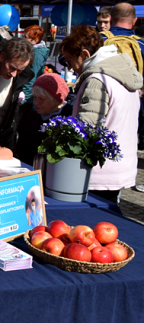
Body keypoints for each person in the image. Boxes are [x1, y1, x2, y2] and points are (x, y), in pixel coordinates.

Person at [61, 24, 143, 203]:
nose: (70, 68)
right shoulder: (123, 73)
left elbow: (85, 128)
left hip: (99, 171)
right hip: (121, 165)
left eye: (68, 61)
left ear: (85, 54)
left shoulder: (97, 80)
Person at [100, 3, 144, 153]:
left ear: (110, 19)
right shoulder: (140, 44)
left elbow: (63, 58)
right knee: (127, 135)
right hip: (132, 96)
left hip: (101, 93)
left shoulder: (98, 40)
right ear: (134, 21)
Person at [15, 73, 72, 165]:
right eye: (34, 97)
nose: (35, 102)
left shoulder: (68, 119)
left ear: (57, 100)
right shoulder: (31, 116)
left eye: (41, 99)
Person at [20, 25, 50, 106]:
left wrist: (23, 100)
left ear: (34, 40)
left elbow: (32, 79)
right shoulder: (31, 52)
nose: (23, 39)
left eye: (25, 37)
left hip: (28, 100)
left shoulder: (36, 55)